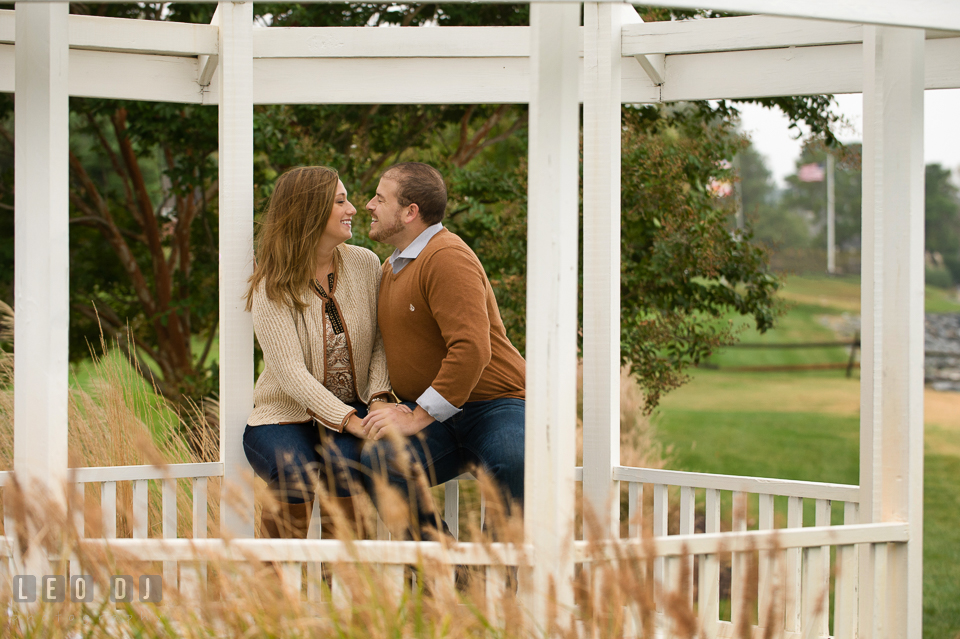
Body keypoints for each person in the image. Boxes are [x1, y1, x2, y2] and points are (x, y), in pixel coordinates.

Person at [359, 162, 526, 541]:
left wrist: (418, 415)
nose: (369, 205)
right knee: (381, 462)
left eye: (380, 198)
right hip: (438, 415)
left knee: (515, 461)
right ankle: (443, 567)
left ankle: (498, 584)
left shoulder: (446, 257)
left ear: (410, 211)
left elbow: (471, 349)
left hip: (496, 404)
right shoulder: (392, 267)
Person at [243, 166, 394, 540]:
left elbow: (381, 341)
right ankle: (272, 586)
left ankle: (345, 586)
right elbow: (291, 371)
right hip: (284, 416)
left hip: (356, 409)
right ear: (310, 211)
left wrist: (376, 399)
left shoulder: (365, 263)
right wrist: (347, 420)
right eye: (341, 201)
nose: (354, 209)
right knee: (295, 470)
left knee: (346, 464)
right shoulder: (272, 282)